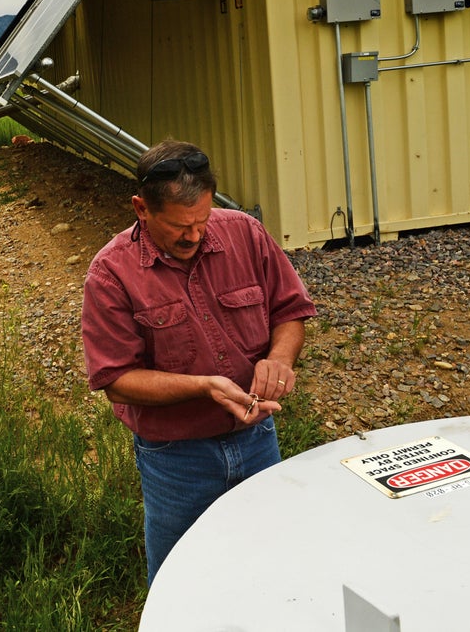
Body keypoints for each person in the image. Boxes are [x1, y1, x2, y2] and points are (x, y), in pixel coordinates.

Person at [80, 139, 316, 586]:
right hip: (176, 459)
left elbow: (290, 312)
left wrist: (280, 358)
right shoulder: (111, 273)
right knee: (180, 580)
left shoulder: (246, 233)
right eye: (179, 226)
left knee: (272, 564)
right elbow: (117, 379)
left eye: (203, 221)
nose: (193, 236)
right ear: (141, 208)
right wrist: (205, 386)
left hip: (257, 438)